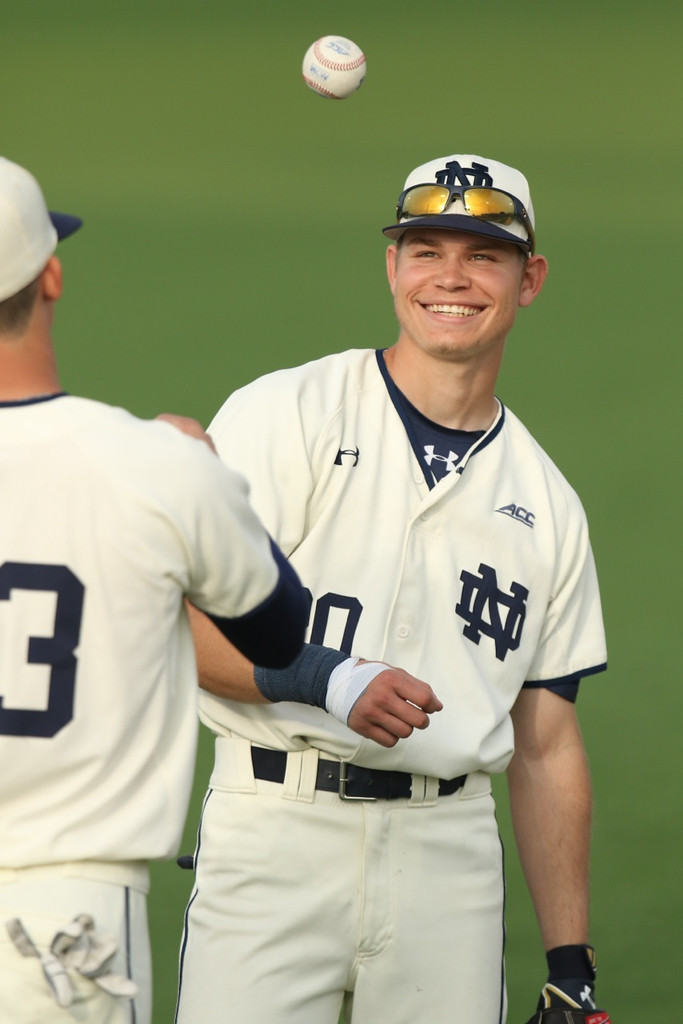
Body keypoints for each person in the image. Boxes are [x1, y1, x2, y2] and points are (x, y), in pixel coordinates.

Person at [174, 153, 612, 1024]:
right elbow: (180, 625)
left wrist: (570, 964)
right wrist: (326, 679)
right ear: (391, 266)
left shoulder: (548, 503)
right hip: (273, 830)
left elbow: (546, 744)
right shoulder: (288, 412)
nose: (450, 278)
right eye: (426, 251)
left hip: (447, 856)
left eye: (482, 256)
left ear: (529, 279)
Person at [0, 154, 314, 1024]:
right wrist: (205, 479)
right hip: (68, 920)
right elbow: (280, 634)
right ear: (51, 276)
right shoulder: (157, 467)